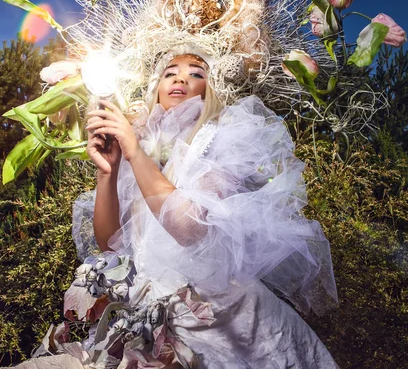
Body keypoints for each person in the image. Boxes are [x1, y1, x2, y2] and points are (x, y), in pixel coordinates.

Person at [79, 48, 339, 368]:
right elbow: (111, 245)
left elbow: (188, 228)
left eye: (197, 73)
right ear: (156, 88)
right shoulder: (142, 148)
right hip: (149, 311)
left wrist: (133, 153)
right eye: (170, 71)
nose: (181, 77)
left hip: (228, 321)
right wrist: (108, 172)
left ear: (212, 88)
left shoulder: (224, 137)